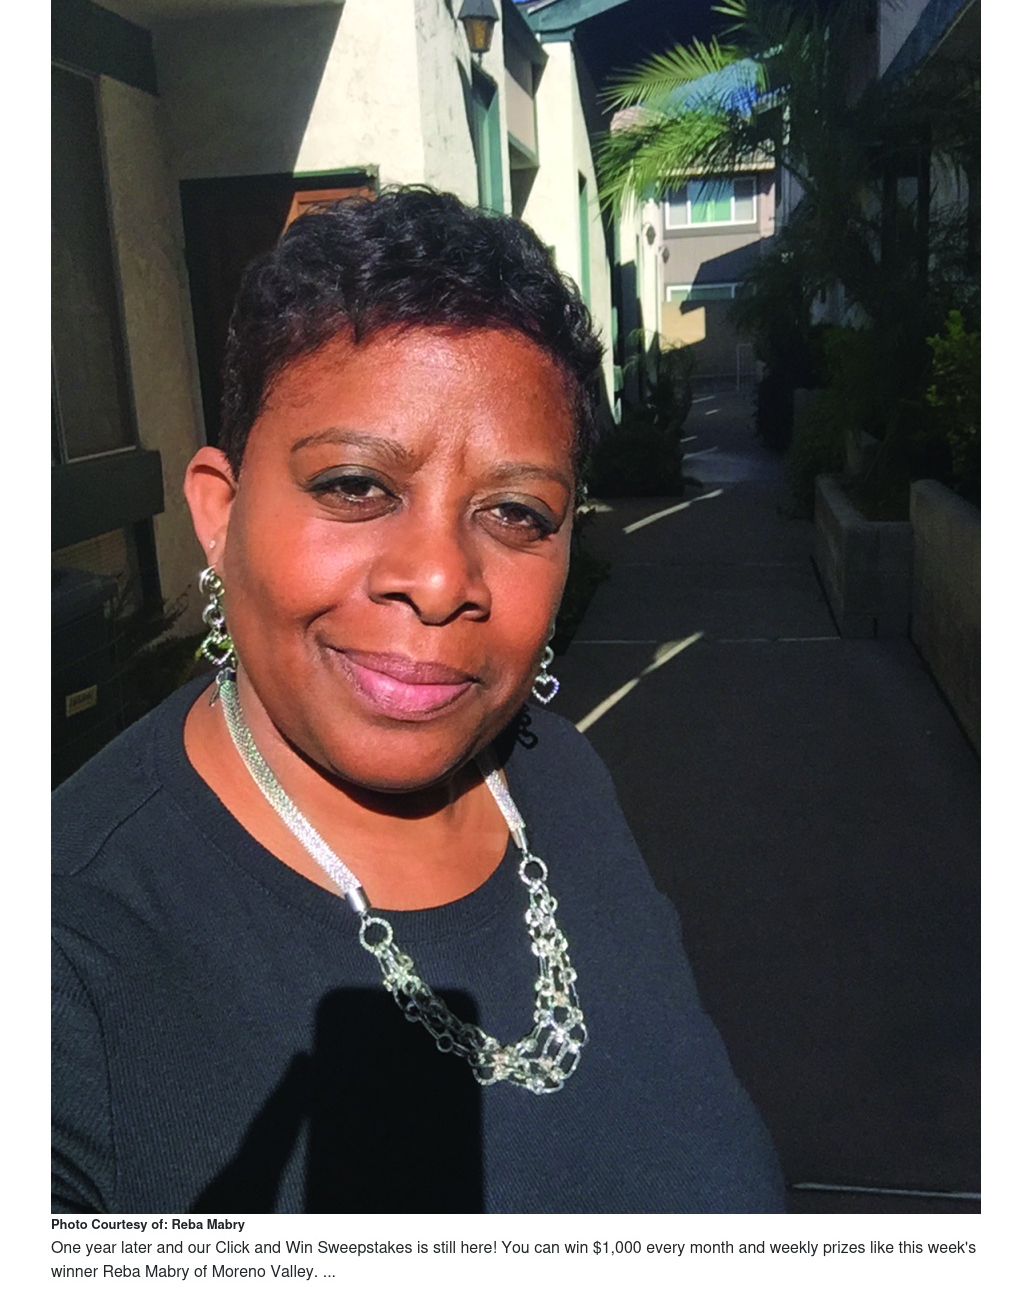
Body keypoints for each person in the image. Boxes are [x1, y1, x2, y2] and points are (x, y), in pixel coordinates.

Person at [52, 187, 784, 1214]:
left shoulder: (561, 775)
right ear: (220, 513)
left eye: (517, 511)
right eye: (355, 485)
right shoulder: (67, 958)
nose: (440, 579)